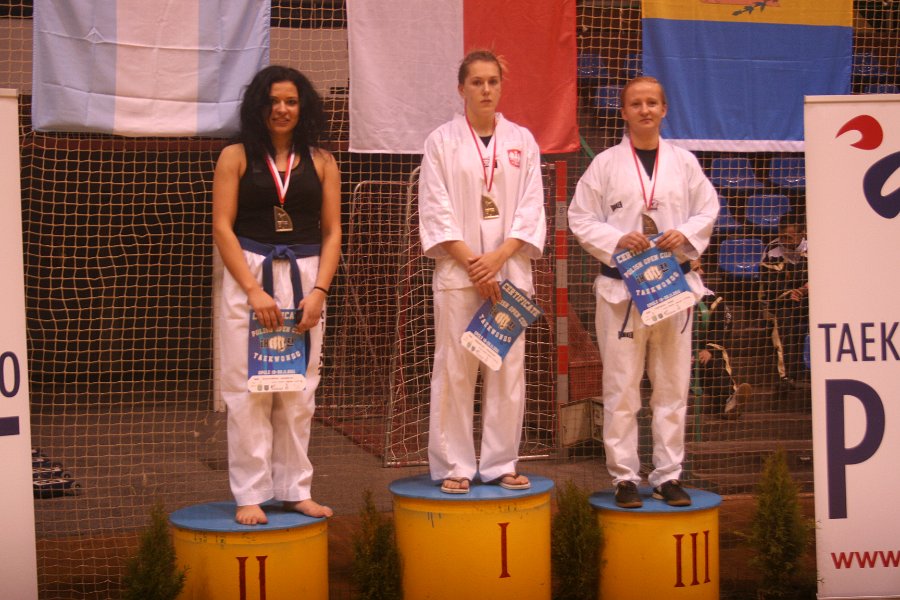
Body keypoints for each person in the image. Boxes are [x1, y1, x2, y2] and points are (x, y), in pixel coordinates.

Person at [568, 76, 719, 508]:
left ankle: (668, 475)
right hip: (622, 292)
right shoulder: (605, 165)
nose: (645, 110)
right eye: (636, 104)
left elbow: (708, 209)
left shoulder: (684, 163)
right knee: (621, 388)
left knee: (672, 386)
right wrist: (617, 238)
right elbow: (580, 217)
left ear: (664, 109)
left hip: (673, 287)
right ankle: (624, 477)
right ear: (624, 113)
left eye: (652, 102)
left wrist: (683, 233)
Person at [213, 65, 340, 524]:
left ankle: (294, 489)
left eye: (290, 101)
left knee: (299, 388)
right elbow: (222, 227)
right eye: (273, 101)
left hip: (305, 276)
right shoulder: (235, 156)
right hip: (250, 273)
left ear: (303, 107)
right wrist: (253, 291)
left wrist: (320, 290)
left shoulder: (322, 161)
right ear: (258, 106)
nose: (281, 109)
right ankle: (250, 492)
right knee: (247, 385)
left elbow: (332, 231)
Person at [418, 49, 546, 494]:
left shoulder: (522, 141)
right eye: (477, 82)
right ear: (461, 88)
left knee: (507, 369)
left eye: (493, 81)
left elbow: (531, 206)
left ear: (501, 87)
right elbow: (435, 208)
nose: (486, 89)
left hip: (509, 272)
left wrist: (499, 258)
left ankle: (500, 462)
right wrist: (475, 263)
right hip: (460, 274)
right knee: (455, 369)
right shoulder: (441, 141)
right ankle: (454, 464)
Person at [690, 260, 752, 418]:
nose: (702, 272)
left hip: (702, 348)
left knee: (713, 358)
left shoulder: (712, 299)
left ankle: (729, 400)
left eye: (701, 267)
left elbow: (722, 326)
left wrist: (709, 349)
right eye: (696, 269)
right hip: (675, 351)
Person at [759, 213, 809, 389]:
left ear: (802, 234)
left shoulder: (816, 246)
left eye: (788, 237)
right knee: (784, 319)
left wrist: (806, 289)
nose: (784, 241)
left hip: (811, 299)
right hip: (782, 301)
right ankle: (786, 376)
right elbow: (771, 285)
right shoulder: (772, 251)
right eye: (782, 236)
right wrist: (790, 293)